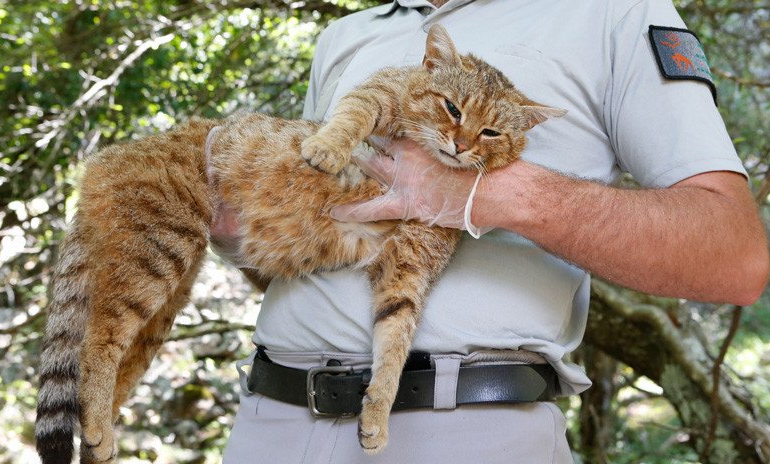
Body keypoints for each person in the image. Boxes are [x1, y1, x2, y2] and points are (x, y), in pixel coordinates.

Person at [219, 0, 769, 462]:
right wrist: (233, 224)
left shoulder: (613, 12)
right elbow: (325, 216)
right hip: (270, 417)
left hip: (464, 428)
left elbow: (736, 257)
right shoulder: (347, 31)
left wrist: (494, 195)